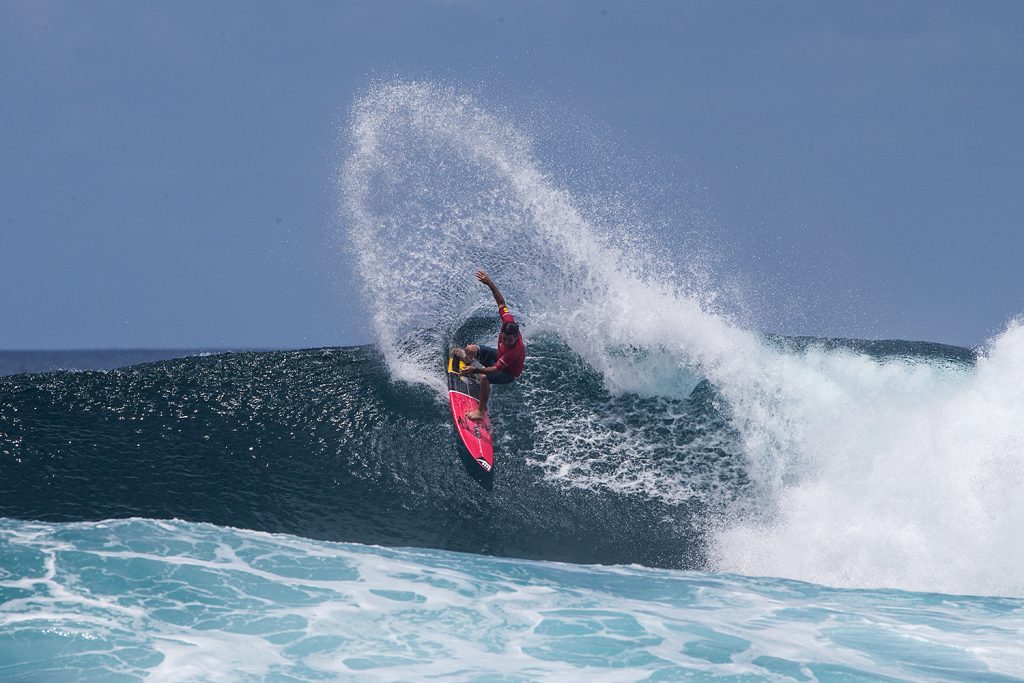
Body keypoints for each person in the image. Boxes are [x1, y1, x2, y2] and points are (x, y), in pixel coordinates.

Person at [451, 270, 526, 422]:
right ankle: (470, 363)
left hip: (508, 373)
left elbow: (495, 369)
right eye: (504, 338)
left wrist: (476, 370)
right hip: (498, 357)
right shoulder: (507, 321)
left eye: (509, 341)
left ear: (516, 337)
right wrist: (489, 283)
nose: (505, 342)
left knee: (484, 377)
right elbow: (501, 303)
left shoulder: (515, 351)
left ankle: (481, 411)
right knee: (470, 349)